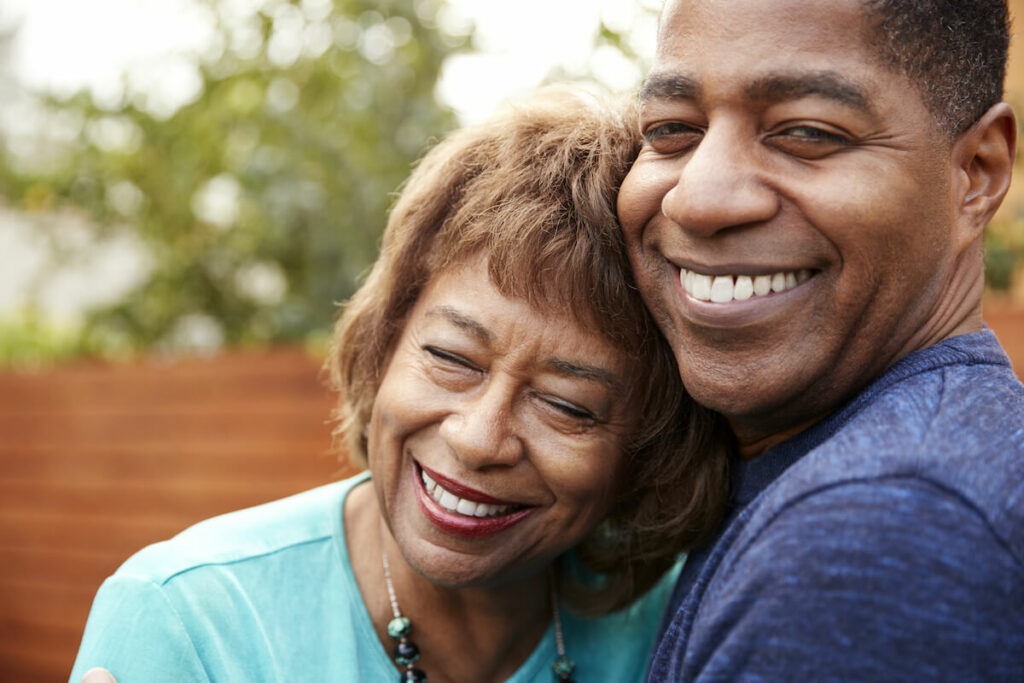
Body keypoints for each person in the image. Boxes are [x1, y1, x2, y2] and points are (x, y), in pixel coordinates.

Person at [69, 86, 730, 682]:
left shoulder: (682, 624)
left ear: (648, 449)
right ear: (385, 342)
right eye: (451, 356)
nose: (478, 438)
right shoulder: (186, 618)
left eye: (565, 403)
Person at [618, 0, 1023, 679]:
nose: (698, 197)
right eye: (671, 130)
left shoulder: (877, 538)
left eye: (805, 131)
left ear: (975, 174)